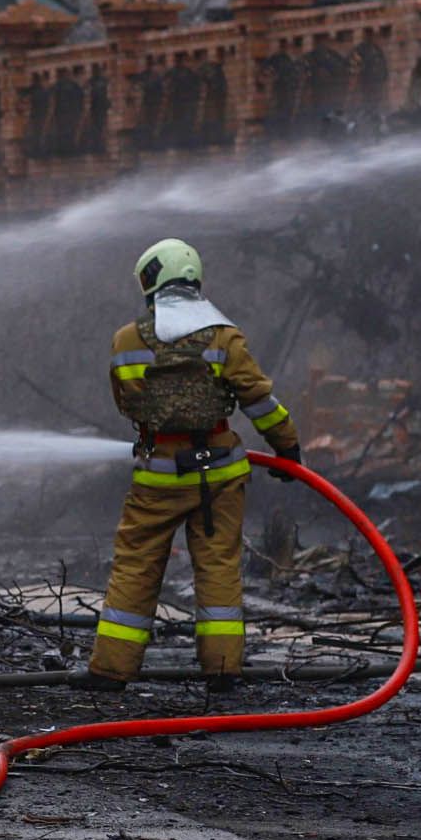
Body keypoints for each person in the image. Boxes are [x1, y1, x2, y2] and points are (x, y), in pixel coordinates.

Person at [85, 239, 302, 694]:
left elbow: (125, 402)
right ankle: (223, 672)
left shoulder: (126, 340)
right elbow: (260, 403)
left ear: (152, 286)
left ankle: (109, 672)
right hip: (219, 476)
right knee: (219, 567)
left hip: (156, 477)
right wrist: (288, 450)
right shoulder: (226, 338)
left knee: (135, 567)